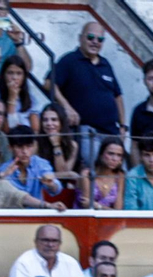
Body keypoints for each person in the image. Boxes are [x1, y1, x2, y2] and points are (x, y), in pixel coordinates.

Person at [44, 19, 122, 174]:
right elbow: (48, 83)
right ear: (80, 38)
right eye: (90, 37)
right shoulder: (70, 60)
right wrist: (67, 107)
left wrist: (123, 126)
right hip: (88, 132)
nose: (95, 42)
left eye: (100, 39)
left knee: (117, 175)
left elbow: (118, 96)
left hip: (111, 133)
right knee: (91, 174)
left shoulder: (106, 64)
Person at [6, 222, 86, 277]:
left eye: (54, 241)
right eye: (45, 240)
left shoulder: (70, 262)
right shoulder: (24, 263)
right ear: (36, 242)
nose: (50, 245)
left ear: (60, 244)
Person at [0, 128, 61, 199]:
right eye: (19, 147)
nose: (25, 151)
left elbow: (56, 190)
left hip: (38, 206)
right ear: (10, 148)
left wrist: (51, 184)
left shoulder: (41, 164)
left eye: (29, 146)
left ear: (34, 146)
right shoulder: (4, 169)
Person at [36, 100, 76, 191]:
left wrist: (56, 145)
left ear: (62, 122)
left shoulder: (73, 145)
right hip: (41, 186)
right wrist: (69, 174)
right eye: (45, 120)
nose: (49, 124)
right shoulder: (36, 143)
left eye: (54, 120)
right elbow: (36, 174)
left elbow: (63, 175)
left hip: (60, 187)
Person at [0, 53, 34, 131]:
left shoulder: (31, 98)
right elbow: (8, 129)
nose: (14, 77)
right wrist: (12, 98)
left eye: (19, 73)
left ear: (24, 76)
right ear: (3, 75)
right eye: (10, 73)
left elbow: (35, 129)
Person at [77, 136, 124, 209]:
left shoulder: (120, 176)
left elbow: (118, 211)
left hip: (109, 217)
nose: (114, 159)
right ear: (101, 154)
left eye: (119, 155)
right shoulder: (87, 174)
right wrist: (106, 209)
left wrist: (97, 205)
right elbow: (86, 207)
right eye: (110, 153)